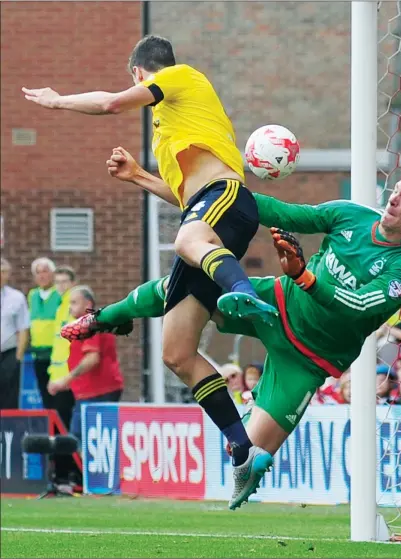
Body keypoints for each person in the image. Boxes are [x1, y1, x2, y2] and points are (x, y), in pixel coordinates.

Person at [62, 159, 401, 508]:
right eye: (396, 190)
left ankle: (251, 433)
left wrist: (305, 276)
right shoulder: (351, 215)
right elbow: (281, 212)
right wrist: (228, 192)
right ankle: (104, 317)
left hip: (309, 359)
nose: (394, 199)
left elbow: (360, 306)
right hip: (273, 304)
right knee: (185, 288)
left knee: (249, 462)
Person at [25, 35, 277, 479]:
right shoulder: (173, 125)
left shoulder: (181, 77)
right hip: (205, 212)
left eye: (135, 81)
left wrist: (58, 102)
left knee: (185, 240)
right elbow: (185, 198)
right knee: (176, 352)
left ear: (139, 73)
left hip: (227, 200)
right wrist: (139, 176)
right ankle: (244, 449)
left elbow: (110, 105)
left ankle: (239, 289)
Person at [48, 286, 124, 441]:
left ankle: (93, 467)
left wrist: (65, 380)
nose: (70, 307)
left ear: (87, 304)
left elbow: (92, 358)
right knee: (93, 439)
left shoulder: (90, 323)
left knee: (80, 438)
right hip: (94, 390)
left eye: (74, 302)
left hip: (97, 391)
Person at [28, 257, 62, 409]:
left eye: (45, 271)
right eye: (38, 272)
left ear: (52, 274)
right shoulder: (32, 295)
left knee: (58, 395)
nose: (42, 275)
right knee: (44, 394)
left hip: (56, 353)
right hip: (38, 354)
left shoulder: (59, 294)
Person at [47, 266, 77, 428]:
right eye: (57, 282)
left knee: (63, 422)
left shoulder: (71, 306)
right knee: (60, 421)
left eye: (64, 282)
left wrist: (64, 377)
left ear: (72, 283)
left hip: (67, 375)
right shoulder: (60, 307)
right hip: (59, 374)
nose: (60, 286)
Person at [0, 258, 30, 409]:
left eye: (4, 271)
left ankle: (8, 430)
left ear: (8, 275)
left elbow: (24, 328)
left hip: (8, 353)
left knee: (9, 397)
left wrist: (18, 356)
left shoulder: (16, 297)